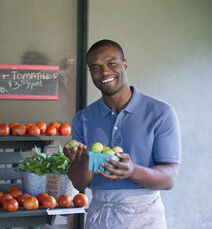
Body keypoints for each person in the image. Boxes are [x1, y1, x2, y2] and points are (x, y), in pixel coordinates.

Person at [63, 39, 181, 229]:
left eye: (111, 63)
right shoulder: (83, 119)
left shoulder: (161, 113)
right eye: (96, 67)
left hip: (145, 218)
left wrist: (133, 171)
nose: (105, 72)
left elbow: (169, 178)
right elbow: (79, 184)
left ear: (124, 64)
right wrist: (82, 163)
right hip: (99, 216)